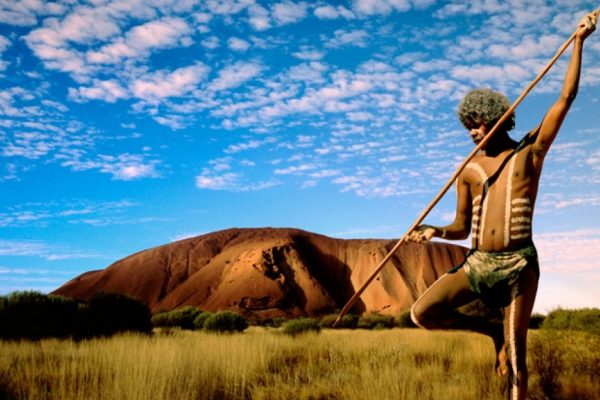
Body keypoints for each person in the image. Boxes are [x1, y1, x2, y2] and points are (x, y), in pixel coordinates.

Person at [408, 13, 596, 400]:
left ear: (497, 119)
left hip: (518, 265)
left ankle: (506, 350)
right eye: (468, 127)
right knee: (421, 313)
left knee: (516, 360)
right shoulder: (468, 170)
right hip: (478, 262)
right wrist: (436, 232)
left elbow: (566, 98)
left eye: (477, 124)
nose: (473, 132)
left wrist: (579, 42)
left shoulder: (530, 151)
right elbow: (461, 228)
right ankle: (490, 331)